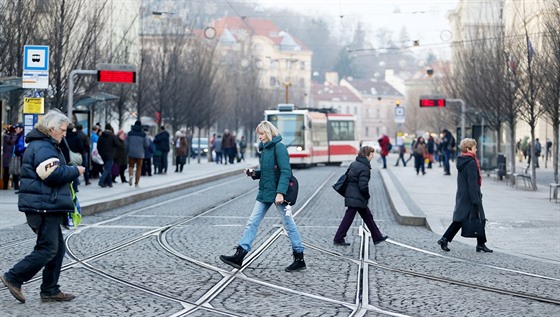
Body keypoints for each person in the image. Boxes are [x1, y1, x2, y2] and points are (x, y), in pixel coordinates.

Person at [1, 109, 85, 303]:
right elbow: (51, 174)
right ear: (51, 128)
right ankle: (14, 277)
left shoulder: (45, 145)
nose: (65, 134)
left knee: (57, 249)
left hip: (47, 203)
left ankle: (50, 289)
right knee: (47, 248)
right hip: (43, 205)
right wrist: (75, 170)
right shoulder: (43, 148)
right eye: (62, 130)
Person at [220, 121, 306, 272]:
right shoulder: (265, 149)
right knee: (252, 222)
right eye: (258, 134)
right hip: (265, 192)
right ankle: (240, 255)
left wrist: (280, 193)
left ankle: (299, 258)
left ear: (268, 133)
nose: (259, 137)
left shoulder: (279, 147)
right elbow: (268, 172)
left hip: (279, 194)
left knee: (288, 224)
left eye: (261, 134)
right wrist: (254, 173)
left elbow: (286, 171)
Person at [437, 138, 493, 253]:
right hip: (470, 195)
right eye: (474, 147)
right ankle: (445, 239)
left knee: (465, 219)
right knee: (476, 218)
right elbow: (472, 182)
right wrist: (476, 198)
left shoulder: (463, 160)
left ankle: (480, 243)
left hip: (463, 194)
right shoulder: (471, 162)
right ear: (469, 149)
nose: (476, 149)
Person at [333, 146, 388, 246]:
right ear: (367, 155)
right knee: (349, 218)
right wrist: (367, 196)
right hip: (357, 197)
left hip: (352, 194)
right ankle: (338, 238)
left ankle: (377, 237)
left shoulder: (354, 163)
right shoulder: (365, 167)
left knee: (367, 216)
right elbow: (363, 186)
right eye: (371, 154)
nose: (373, 156)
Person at [126, 121, 150, 187]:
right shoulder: (144, 134)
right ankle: (136, 182)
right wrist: (144, 149)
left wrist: (127, 151)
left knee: (131, 166)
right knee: (139, 168)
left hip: (131, 153)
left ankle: (130, 175)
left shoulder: (129, 133)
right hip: (140, 153)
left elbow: (126, 144)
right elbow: (147, 144)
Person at [97, 124, 118, 188]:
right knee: (107, 168)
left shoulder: (101, 136)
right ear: (110, 128)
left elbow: (98, 146)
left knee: (107, 168)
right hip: (110, 154)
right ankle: (101, 181)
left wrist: (100, 153)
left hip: (103, 155)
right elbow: (116, 144)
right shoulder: (112, 136)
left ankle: (109, 183)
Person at [11, 123, 25, 191]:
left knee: (19, 172)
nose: (16, 129)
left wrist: (18, 151)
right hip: (19, 155)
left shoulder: (21, 136)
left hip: (21, 155)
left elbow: (21, 146)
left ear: (21, 129)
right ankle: (18, 186)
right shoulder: (19, 135)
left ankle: (20, 186)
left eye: (17, 128)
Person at [2, 125, 17, 189]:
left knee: (6, 171)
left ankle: (5, 185)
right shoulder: (15, 137)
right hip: (13, 155)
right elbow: (12, 142)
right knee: (15, 171)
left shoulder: (5, 137)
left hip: (6, 156)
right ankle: (15, 185)